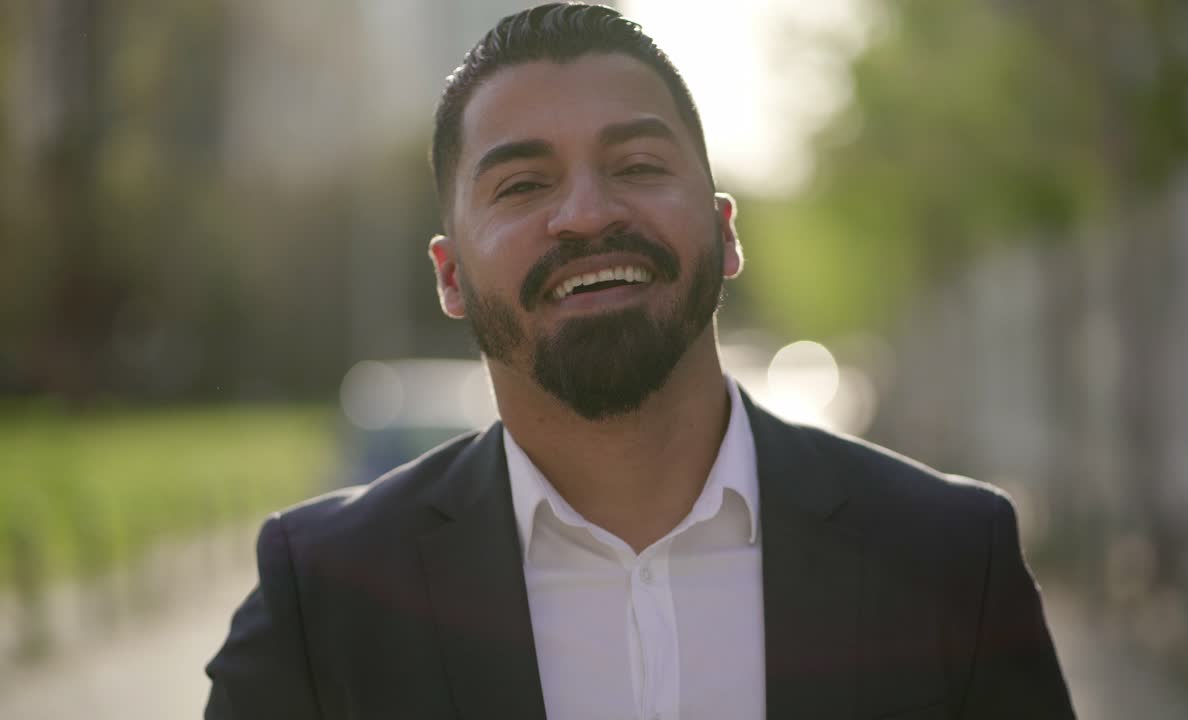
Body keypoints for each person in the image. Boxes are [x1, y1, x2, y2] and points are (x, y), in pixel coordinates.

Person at [205, 4, 1075, 718]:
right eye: (523, 184)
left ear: (725, 233)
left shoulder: (952, 562)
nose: (586, 214)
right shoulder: (319, 602)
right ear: (451, 278)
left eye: (637, 163)